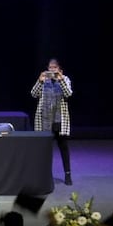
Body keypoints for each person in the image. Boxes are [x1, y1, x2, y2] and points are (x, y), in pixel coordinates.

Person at [30, 57, 73, 185]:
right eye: (50, 67)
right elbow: (33, 94)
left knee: (63, 147)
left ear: (60, 70)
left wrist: (60, 81)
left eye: (54, 68)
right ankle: (43, 175)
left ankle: (68, 175)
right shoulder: (44, 81)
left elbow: (68, 94)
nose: (52, 70)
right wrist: (40, 81)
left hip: (59, 121)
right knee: (45, 150)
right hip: (45, 121)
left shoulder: (65, 80)